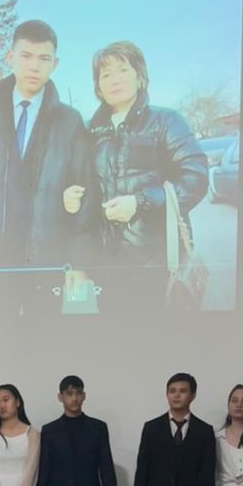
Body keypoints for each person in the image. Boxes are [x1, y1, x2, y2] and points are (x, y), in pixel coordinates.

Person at [0, 19, 97, 316]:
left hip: (47, 262)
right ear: (10, 57)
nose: (34, 66)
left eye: (44, 58)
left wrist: (78, 263)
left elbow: (86, 191)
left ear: (55, 64)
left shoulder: (70, 121)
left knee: (43, 340)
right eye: (26, 55)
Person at [82, 41, 208, 308]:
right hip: (106, 265)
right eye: (106, 74)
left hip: (157, 263)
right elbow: (84, 185)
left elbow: (196, 179)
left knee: (159, 331)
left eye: (123, 70)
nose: (114, 79)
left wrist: (140, 202)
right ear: (98, 87)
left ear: (140, 77)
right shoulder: (89, 131)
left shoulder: (166, 120)